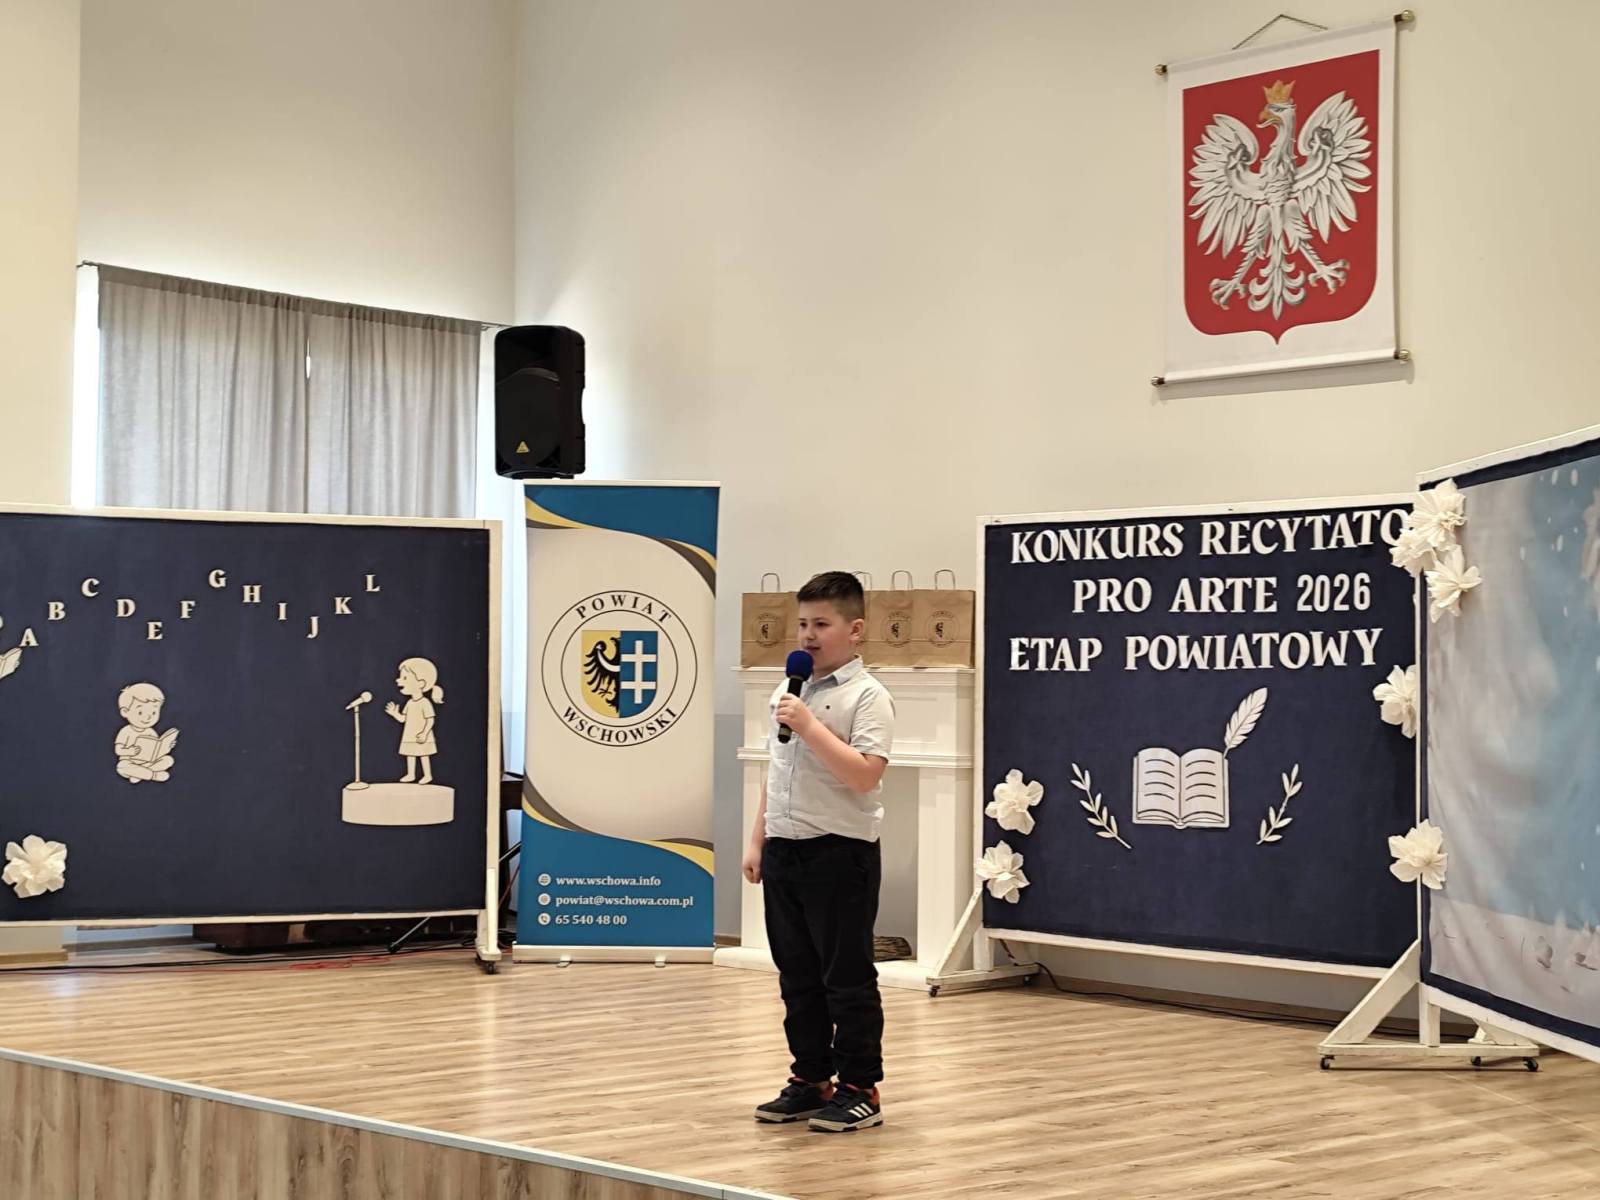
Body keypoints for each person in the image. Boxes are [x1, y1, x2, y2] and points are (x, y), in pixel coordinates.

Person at [743, 571, 895, 1132]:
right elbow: (777, 769)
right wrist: (758, 838)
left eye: (822, 624)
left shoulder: (869, 696)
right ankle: (811, 1079)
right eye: (803, 623)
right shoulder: (789, 691)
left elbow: (864, 775)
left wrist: (809, 727)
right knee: (796, 976)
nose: (808, 635)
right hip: (786, 849)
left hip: (840, 853)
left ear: (855, 630)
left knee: (845, 978)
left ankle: (860, 1087)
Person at [385, 657, 443, 784]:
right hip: (409, 735)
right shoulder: (409, 703)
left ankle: (427, 775)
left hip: (421, 735)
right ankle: (411, 774)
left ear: (421, 683)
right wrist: (395, 714)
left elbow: (430, 720)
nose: (398, 680)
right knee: (410, 754)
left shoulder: (425, 702)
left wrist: (424, 733)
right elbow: (403, 719)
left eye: (405, 678)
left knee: (423, 754)